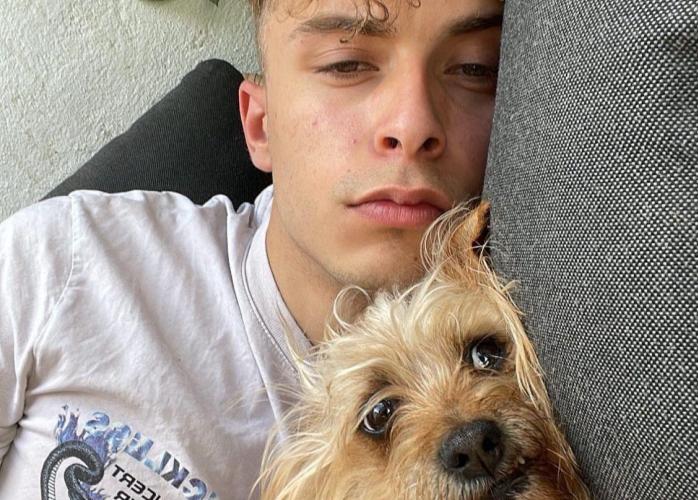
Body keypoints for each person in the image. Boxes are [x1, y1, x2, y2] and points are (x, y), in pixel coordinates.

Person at [0, 0, 503, 497]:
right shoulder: (62, 260)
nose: (413, 124)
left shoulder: (525, 332)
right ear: (261, 125)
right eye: (345, 64)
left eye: (475, 68)